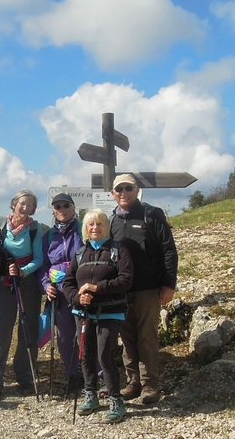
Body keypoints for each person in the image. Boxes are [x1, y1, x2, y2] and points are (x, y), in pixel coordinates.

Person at [108, 174, 179, 404]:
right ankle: (133, 382)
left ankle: (150, 385)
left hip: (148, 289)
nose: (123, 193)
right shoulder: (111, 220)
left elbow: (169, 250)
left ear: (137, 190)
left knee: (147, 337)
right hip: (121, 290)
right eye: (119, 189)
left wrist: (168, 285)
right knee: (127, 338)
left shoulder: (152, 214)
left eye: (128, 188)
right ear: (113, 194)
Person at [62, 208, 133, 423]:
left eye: (100, 224)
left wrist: (96, 288)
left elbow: (126, 280)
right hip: (83, 312)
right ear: (85, 228)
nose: (95, 228)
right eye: (91, 224)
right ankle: (90, 394)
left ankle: (115, 399)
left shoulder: (119, 251)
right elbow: (68, 283)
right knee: (86, 354)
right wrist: (77, 298)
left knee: (104, 355)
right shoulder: (79, 254)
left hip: (111, 311)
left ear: (106, 227)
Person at [0, 189, 44, 397]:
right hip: (4, 283)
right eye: (22, 203)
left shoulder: (34, 228)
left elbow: (39, 259)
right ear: (13, 204)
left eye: (30, 204)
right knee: (4, 331)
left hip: (27, 282)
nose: (26, 207)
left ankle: (25, 377)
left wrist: (23, 271)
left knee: (27, 330)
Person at [39, 193, 84, 394]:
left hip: (80, 289)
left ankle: (93, 375)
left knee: (85, 333)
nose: (61, 209)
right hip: (58, 293)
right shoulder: (48, 236)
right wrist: (46, 284)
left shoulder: (84, 229)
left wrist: (70, 272)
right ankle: (72, 374)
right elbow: (43, 266)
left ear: (73, 208)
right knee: (64, 335)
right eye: (57, 206)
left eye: (66, 205)